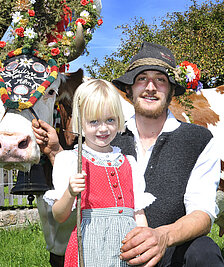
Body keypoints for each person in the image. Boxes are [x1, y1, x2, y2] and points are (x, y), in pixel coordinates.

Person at [33, 42, 224, 266]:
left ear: (172, 90)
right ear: (129, 89)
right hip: (116, 249)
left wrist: (162, 237)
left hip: (172, 250)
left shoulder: (197, 140)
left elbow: (202, 214)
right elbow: (83, 170)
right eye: (142, 78)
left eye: (161, 80)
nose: (150, 87)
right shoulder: (108, 137)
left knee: (204, 252)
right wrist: (56, 151)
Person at [41, 79, 155, 267]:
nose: (103, 128)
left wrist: (144, 248)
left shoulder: (129, 163)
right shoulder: (70, 161)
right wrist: (70, 193)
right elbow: (59, 216)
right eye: (93, 121)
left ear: (118, 119)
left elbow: (139, 214)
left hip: (127, 248)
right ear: (80, 122)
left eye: (110, 120)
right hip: (89, 248)